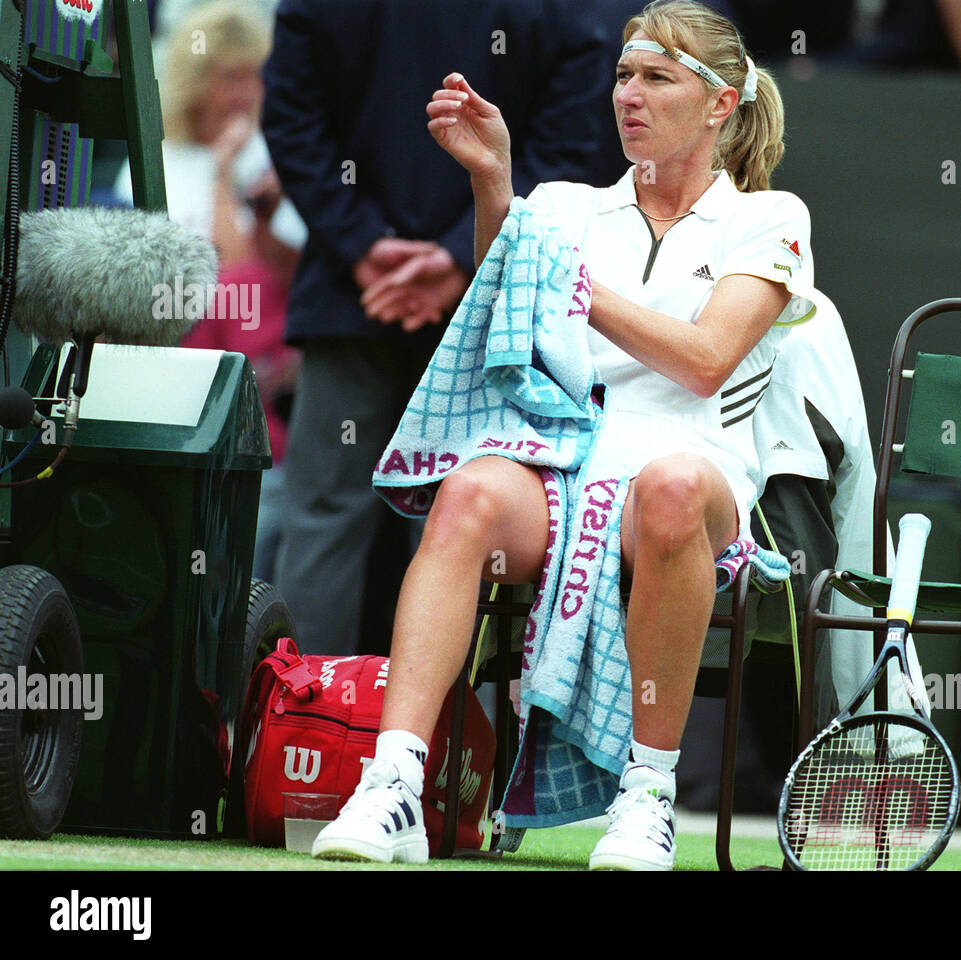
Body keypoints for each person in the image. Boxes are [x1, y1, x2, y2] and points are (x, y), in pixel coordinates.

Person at [311, 0, 813, 870]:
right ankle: (393, 782)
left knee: (668, 489)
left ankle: (648, 793)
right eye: (623, 75)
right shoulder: (560, 204)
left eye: (657, 78)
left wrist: (575, 286)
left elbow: (703, 361)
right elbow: (510, 302)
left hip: (699, 471)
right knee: (466, 491)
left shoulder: (771, 219)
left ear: (722, 104)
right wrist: (493, 183)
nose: (630, 95)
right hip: (569, 455)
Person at [261, 0, 617, 656]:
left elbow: (290, 118)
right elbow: (573, 145)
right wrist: (458, 258)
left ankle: (305, 731)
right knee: (462, 529)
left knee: (324, 518)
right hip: (494, 302)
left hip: (358, 293)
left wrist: (365, 246)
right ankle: (448, 750)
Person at [114, 0, 305, 583]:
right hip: (176, 380)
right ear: (197, 81)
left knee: (256, 543)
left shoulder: (278, 161)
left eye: (254, 77)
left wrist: (242, 188)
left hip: (265, 392)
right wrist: (222, 172)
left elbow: (264, 274)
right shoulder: (151, 163)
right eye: (229, 77)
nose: (244, 92)